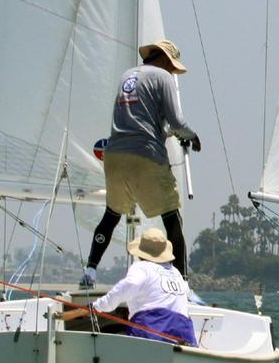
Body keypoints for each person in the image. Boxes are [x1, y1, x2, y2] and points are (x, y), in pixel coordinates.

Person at [81, 40, 200, 287]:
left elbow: (142, 120)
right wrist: (192, 136)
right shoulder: (163, 77)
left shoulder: (127, 75)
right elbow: (177, 122)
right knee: (172, 217)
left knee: (111, 215)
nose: (172, 72)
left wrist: (167, 131)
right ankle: (182, 283)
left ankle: (90, 272)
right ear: (167, 60)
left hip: (114, 156)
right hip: (145, 155)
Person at [61, 228, 196, 346]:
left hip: (151, 333)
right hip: (185, 335)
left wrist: (94, 307)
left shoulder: (141, 267)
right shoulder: (175, 272)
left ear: (141, 252)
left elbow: (126, 288)